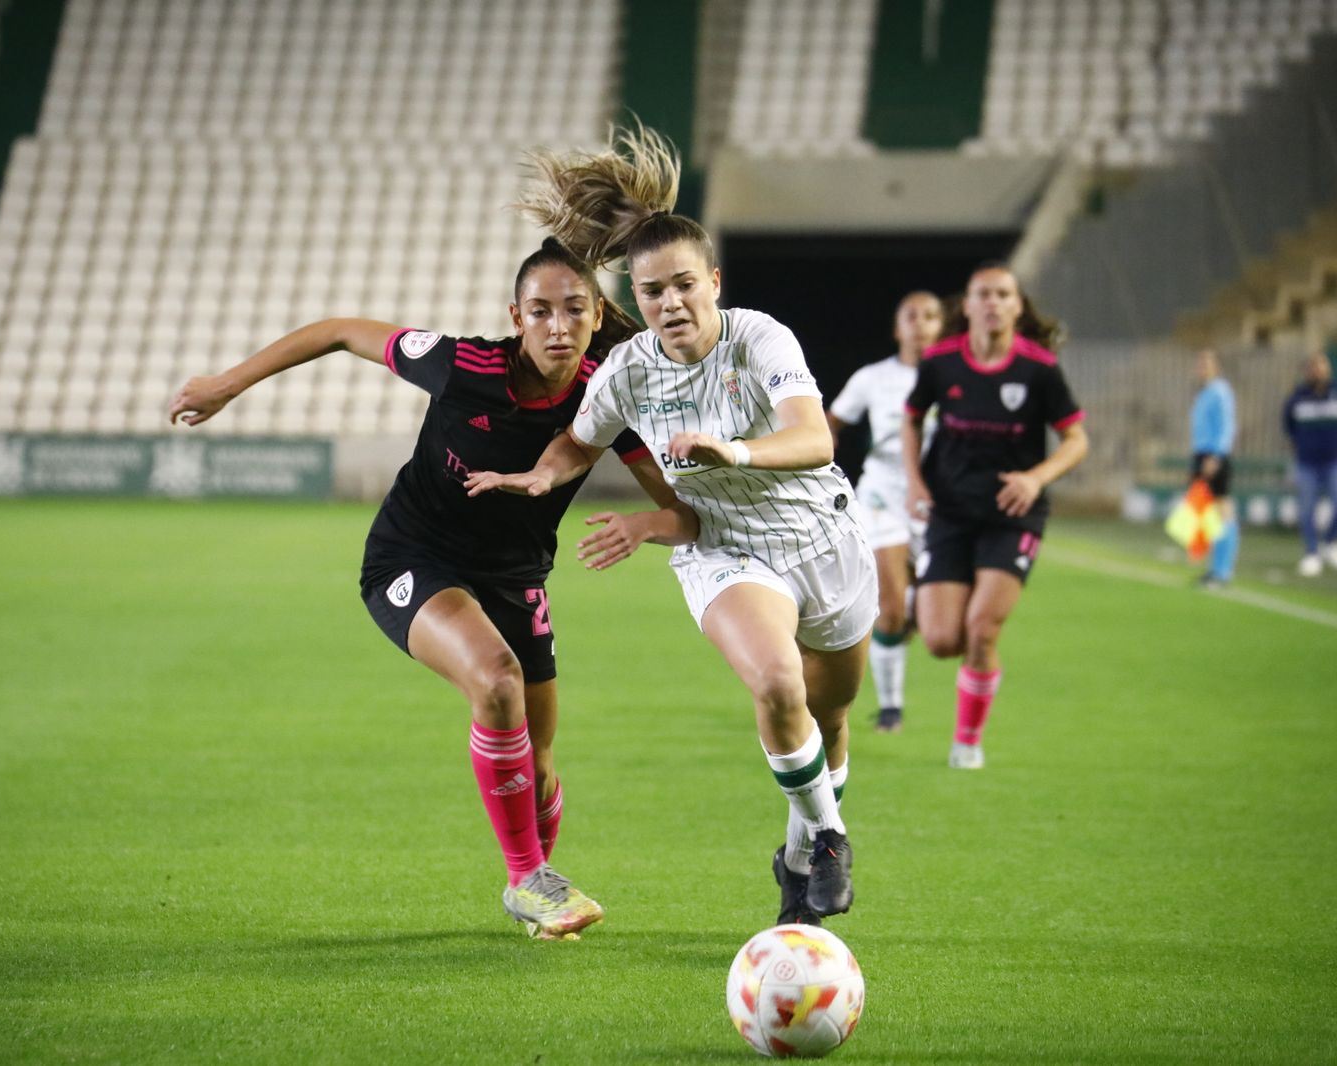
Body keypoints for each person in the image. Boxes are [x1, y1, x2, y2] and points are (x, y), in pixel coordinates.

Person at [166, 239, 698, 940]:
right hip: (412, 559)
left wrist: (645, 525)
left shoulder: (609, 395)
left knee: (538, 769)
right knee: (497, 680)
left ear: (599, 316)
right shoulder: (464, 365)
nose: (558, 327)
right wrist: (229, 383)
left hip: (515, 578)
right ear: (516, 317)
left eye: (575, 310)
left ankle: (539, 888)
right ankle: (527, 879)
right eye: (540, 311)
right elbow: (339, 331)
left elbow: (684, 514)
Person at [465, 125, 875, 929]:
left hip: (823, 539)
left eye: (685, 285)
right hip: (725, 548)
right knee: (777, 682)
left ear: (713, 282)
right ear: (637, 299)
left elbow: (815, 439)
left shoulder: (760, 337)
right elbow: (579, 440)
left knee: (828, 716)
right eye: (652, 292)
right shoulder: (627, 371)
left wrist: (733, 449)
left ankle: (799, 854)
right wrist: (542, 475)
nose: (670, 303)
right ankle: (830, 838)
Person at [901, 265, 1088, 770]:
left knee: (982, 629)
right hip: (950, 511)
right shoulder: (941, 362)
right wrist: (915, 482)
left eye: (1003, 294)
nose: (992, 303)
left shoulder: (1039, 368)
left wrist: (1036, 478)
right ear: (968, 306)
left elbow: (1076, 440)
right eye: (982, 294)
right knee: (943, 641)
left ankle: (967, 741)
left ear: (1017, 306)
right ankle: (923, 594)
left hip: (1013, 515)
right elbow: (911, 419)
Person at [826, 291, 945, 733]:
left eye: (930, 316)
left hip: (940, 504)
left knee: (937, 623)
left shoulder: (956, 379)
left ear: (942, 327)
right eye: (911, 316)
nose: (920, 324)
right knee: (890, 609)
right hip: (882, 497)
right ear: (898, 329)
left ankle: (914, 604)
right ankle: (891, 708)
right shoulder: (873, 379)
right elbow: (831, 421)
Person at [1284, 350, 1337, 576]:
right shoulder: (1298, 397)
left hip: (1335, 462)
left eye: (1322, 366)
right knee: (1307, 511)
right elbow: (1288, 425)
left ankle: (1331, 543)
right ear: (1307, 371)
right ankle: (1312, 553)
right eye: (1313, 366)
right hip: (1307, 464)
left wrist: (1333, 443)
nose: (1318, 370)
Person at [1190, 349, 1239, 588]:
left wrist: (1216, 457)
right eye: (1200, 362)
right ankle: (1214, 568)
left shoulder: (1220, 391)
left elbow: (1226, 426)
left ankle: (1223, 571)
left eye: (1207, 363)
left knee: (1223, 509)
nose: (1202, 367)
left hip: (1214, 455)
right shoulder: (1204, 392)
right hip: (1202, 454)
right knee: (1209, 514)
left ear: (1216, 366)